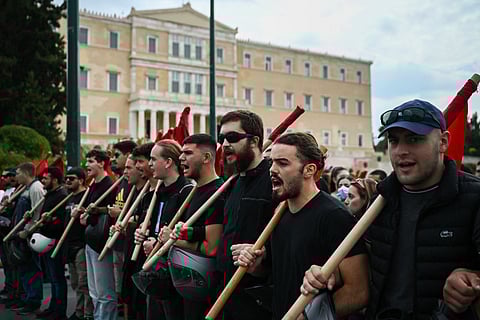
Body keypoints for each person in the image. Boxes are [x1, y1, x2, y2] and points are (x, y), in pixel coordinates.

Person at [312, 99, 480, 319]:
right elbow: (365, 271)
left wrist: (473, 278)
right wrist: (332, 275)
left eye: (414, 139)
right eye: (394, 141)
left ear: (443, 142)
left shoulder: (474, 198)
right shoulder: (381, 202)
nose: (401, 151)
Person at [234, 133, 369, 319]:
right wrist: (256, 265)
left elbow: (358, 292)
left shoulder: (335, 216)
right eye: (272, 162)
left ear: (309, 170)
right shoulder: (280, 212)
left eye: (282, 163)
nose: (272, 170)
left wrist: (309, 316)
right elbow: (278, 272)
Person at [216, 110, 275, 320]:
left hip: (258, 297)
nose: (224, 144)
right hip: (227, 292)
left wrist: (264, 258)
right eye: (221, 138)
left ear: (254, 141)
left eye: (232, 137)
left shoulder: (274, 181)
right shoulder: (233, 182)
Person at [133, 140, 193, 320]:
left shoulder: (186, 192)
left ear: (168, 162)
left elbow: (187, 235)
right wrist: (143, 234)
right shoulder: (154, 194)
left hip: (175, 274)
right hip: (155, 269)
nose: (149, 164)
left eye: (153, 159)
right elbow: (152, 227)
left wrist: (161, 244)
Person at [168, 134, 225, 319]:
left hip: (205, 289)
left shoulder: (217, 193)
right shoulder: (194, 191)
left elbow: (212, 247)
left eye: (188, 153)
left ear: (207, 158)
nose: (181, 158)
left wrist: (174, 241)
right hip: (188, 285)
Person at [79, 150, 118, 320]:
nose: (86, 165)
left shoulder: (110, 186)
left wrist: (99, 210)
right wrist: (83, 213)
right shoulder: (92, 185)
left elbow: (114, 212)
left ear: (102, 163)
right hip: (90, 241)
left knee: (104, 292)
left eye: (91, 161)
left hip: (103, 244)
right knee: (94, 291)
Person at [28, 167, 69, 320]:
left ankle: (59, 311)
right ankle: (53, 307)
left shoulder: (61, 196)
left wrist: (51, 220)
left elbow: (63, 221)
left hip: (55, 242)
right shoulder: (50, 195)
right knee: (53, 278)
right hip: (47, 240)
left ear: (55, 180)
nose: (42, 181)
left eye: (46, 178)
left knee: (58, 278)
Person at [9, 163, 45, 314]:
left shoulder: (36, 188)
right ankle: (26, 298)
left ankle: (33, 300)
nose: (16, 176)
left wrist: (28, 231)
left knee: (32, 269)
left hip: (29, 235)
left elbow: (38, 212)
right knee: (24, 269)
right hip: (19, 235)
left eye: (18, 173)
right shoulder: (25, 188)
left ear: (26, 173)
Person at [64, 167, 94, 320]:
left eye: (72, 178)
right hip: (69, 244)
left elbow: (91, 218)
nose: (68, 181)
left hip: (82, 244)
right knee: (76, 283)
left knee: (84, 283)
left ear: (81, 180)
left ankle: (87, 314)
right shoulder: (68, 198)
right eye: (66, 178)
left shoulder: (87, 196)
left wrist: (83, 212)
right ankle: (79, 311)